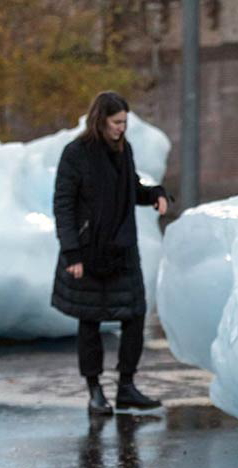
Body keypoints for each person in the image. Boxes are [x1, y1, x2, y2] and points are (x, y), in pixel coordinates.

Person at [51, 91, 169, 415]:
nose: (121, 128)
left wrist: (155, 193)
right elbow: (63, 205)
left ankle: (127, 386)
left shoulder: (123, 149)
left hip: (122, 249)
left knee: (135, 315)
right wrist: (71, 253)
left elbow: (130, 188)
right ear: (100, 120)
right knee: (89, 322)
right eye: (116, 123)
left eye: (125, 123)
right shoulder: (75, 153)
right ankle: (94, 392)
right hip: (87, 252)